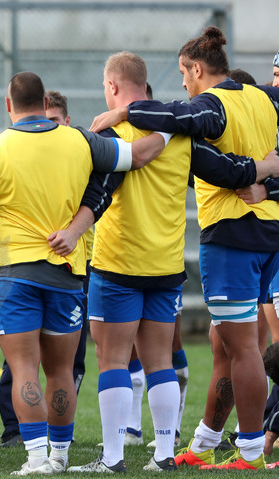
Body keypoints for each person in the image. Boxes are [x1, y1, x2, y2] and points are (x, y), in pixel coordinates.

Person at [0, 70, 175, 475]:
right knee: (62, 369)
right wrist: (172, 128)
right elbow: (139, 155)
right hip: (67, 271)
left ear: (9, 105)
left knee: (24, 367)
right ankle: (61, 456)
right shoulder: (80, 139)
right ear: (46, 104)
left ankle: (36, 459)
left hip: (14, 273)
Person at [90, 26, 279, 470]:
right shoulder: (265, 98)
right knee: (222, 345)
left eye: (183, 74)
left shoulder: (211, 104)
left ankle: (250, 451)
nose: (182, 84)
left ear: (197, 69)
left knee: (244, 347)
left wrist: (125, 114)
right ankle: (205, 440)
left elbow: (181, 118)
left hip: (233, 235)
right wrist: (269, 181)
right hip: (270, 233)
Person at [0, 89, 92, 449]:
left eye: (54, 121)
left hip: (49, 267)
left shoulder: (77, 146)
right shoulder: (85, 145)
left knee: (33, 366)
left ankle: (39, 455)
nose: (45, 127)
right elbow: (123, 169)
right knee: (51, 367)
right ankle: (38, 443)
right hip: (65, 270)